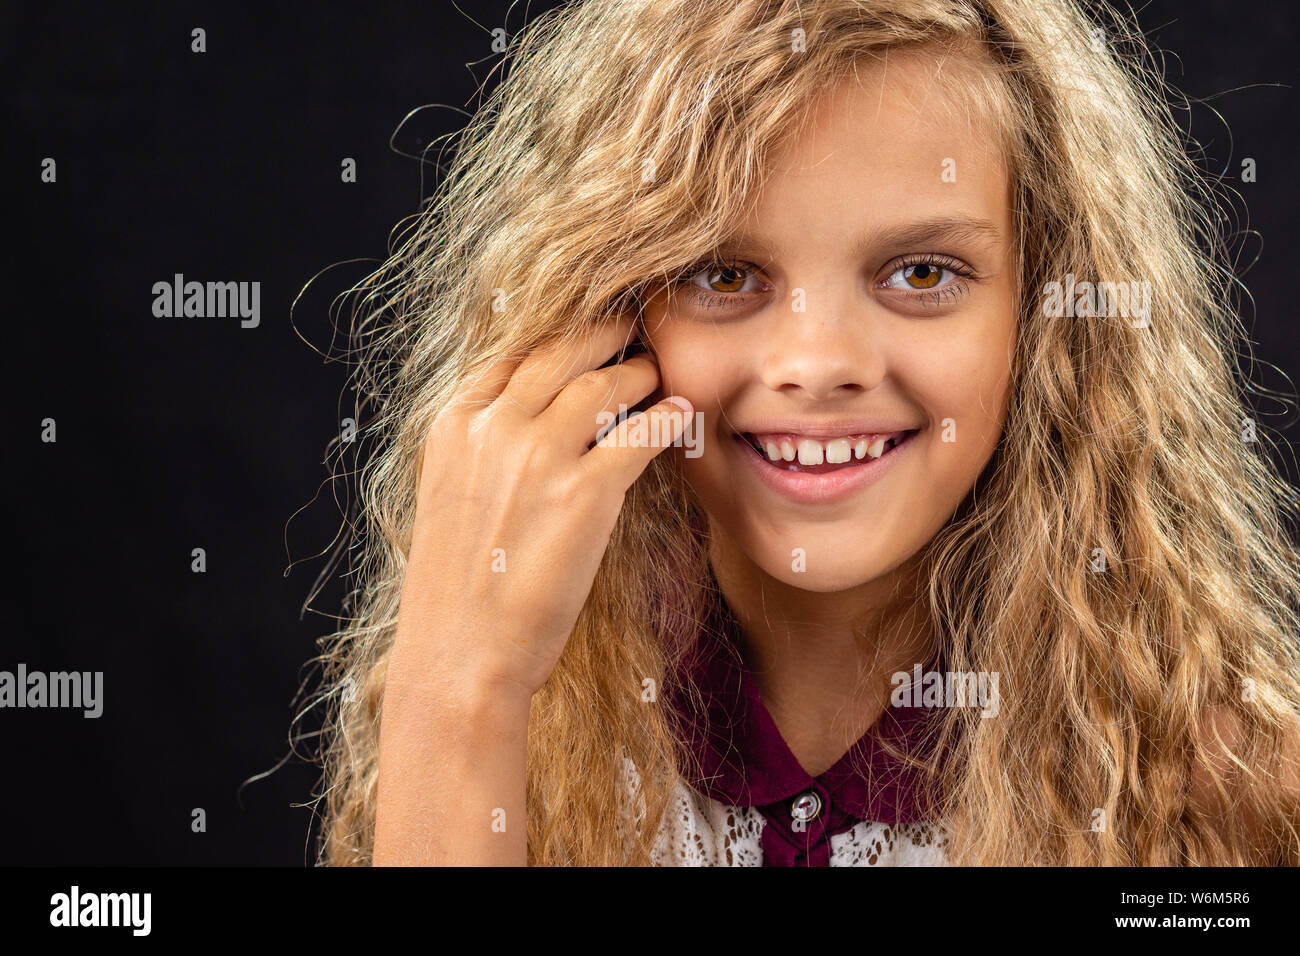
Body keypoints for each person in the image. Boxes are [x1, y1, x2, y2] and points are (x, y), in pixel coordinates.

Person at [308, 0, 1300, 865]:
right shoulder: (511, 730)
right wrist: (460, 684)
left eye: (921, 273)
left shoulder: (1226, 790)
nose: (818, 362)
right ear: (608, 312)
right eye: (723, 275)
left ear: (1041, 320)